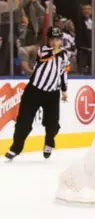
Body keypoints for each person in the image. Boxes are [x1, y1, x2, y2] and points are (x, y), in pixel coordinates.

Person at [5, 27, 70, 161]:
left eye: (57, 39)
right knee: (24, 121)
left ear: (61, 40)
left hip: (52, 93)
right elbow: (43, 59)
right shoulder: (41, 50)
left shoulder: (64, 55)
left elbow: (64, 72)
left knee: (53, 124)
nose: (54, 42)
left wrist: (64, 90)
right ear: (48, 40)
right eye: (52, 39)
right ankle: (15, 148)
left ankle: (49, 142)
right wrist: (54, 52)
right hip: (34, 91)